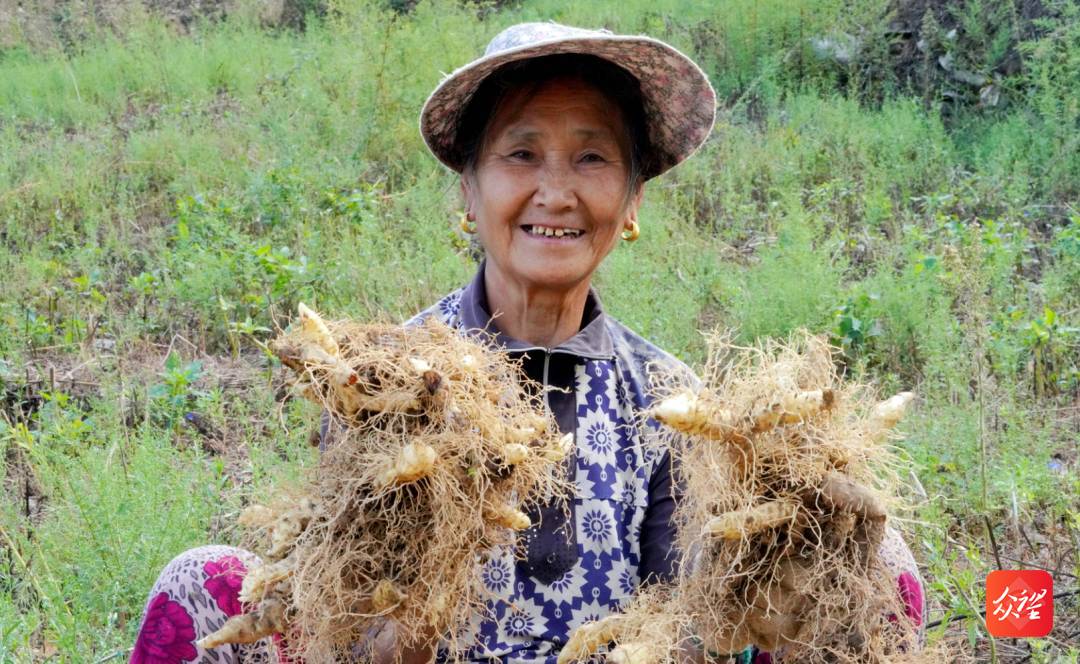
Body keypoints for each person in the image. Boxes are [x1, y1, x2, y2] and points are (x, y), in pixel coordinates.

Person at [130, 22, 924, 664]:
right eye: (520, 154)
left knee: (879, 563)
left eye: (592, 156)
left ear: (632, 198)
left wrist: (774, 582)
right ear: (469, 193)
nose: (556, 191)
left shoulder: (671, 400)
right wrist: (408, 619)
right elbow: (354, 619)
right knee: (201, 582)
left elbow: (680, 617)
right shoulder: (388, 376)